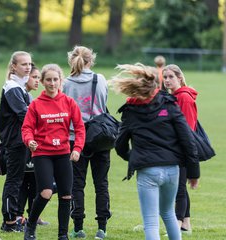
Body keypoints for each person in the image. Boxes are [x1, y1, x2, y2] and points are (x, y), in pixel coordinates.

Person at [111, 63, 200, 240]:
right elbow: (188, 140)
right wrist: (194, 172)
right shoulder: (170, 103)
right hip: (172, 170)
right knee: (169, 214)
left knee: (151, 222)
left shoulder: (131, 110)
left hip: (147, 171)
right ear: (155, 85)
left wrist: (133, 157)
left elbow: (119, 144)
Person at [22, 64, 85, 240]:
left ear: (60, 81)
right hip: (42, 153)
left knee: (66, 194)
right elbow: (26, 128)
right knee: (46, 192)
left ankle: (62, 235)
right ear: (42, 82)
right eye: (48, 80)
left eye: (55, 79)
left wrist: (77, 148)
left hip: (63, 153)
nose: (52, 83)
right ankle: (31, 224)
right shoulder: (36, 105)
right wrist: (30, 141)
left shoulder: (69, 102)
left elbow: (80, 128)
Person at [62, 46, 111, 239]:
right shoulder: (100, 79)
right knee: (101, 183)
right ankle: (102, 227)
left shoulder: (66, 83)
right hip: (99, 138)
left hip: (75, 139)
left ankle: (78, 227)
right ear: (91, 60)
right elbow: (103, 103)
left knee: (77, 185)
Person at [0, 51, 32, 232]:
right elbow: (23, 114)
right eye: (24, 64)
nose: (27, 67)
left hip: (22, 141)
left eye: (29, 64)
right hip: (15, 142)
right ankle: (10, 221)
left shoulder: (20, 87)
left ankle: (14, 218)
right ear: (14, 67)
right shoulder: (12, 87)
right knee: (14, 181)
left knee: (20, 180)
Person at [163, 64, 197, 235]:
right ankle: (186, 225)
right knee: (179, 187)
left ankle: (175, 227)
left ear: (179, 78)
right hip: (174, 148)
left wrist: (183, 149)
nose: (167, 80)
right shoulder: (174, 96)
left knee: (178, 189)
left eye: (171, 77)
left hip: (182, 150)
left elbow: (188, 127)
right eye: (165, 77)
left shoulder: (183, 97)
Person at [16, 64, 49, 226]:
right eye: (34, 77)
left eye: (38, 78)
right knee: (24, 180)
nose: (37, 81)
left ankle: (34, 215)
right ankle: (18, 214)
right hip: (24, 144)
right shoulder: (20, 95)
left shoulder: (30, 97)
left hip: (35, 145)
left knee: (35, 180)